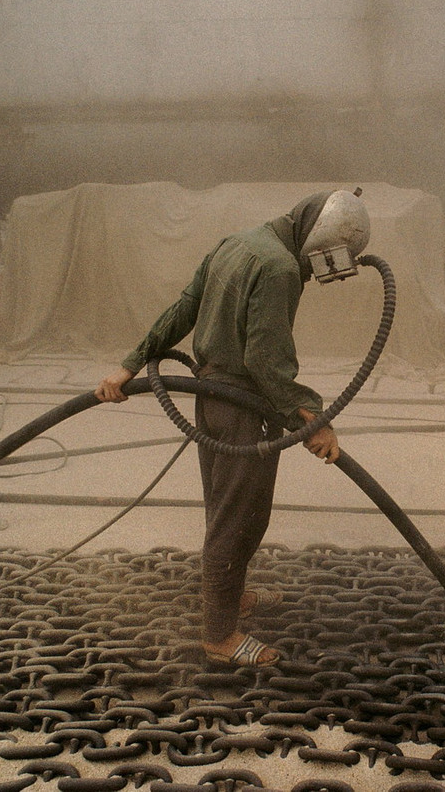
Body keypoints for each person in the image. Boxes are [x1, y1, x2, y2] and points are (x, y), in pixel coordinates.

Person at [95, 189, 370, 667]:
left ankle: (231, 594)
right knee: (239, 517)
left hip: (213, 396)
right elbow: (265, 360)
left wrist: (131, 363)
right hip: (242, 403)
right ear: (320, 241)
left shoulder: (239, 243)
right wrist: (313, 420)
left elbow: (185, 306)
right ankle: (219, 635)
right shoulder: (282, 268)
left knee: (228, 507)